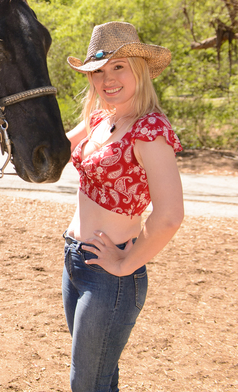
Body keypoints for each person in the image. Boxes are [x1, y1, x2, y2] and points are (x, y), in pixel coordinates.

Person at [62, 21, 185, 392]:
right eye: (98, 71)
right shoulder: (101, 118)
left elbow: (169, 216)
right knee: (100, 379)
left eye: (118, 67)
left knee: (87, 385)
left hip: (109, 275)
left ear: (140, 71)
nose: (107, 79)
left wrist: (124, 263)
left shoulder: (150, 129)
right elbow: (54, 150)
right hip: (75, 260)